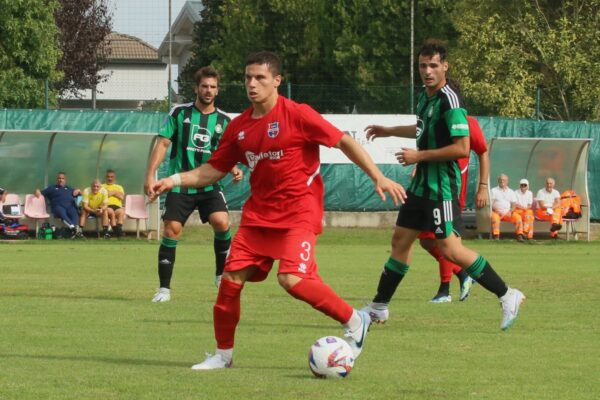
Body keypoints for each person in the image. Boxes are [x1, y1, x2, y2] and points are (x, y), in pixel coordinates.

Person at [149, 51, 406, 370]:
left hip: (299, 211)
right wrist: (172, 180)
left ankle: (355, 321)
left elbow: (343, 142)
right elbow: (213, 170)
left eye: (260, 77)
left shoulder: (297, 114)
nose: (252, 84)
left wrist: (378, 176)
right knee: (230, 278)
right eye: (247, 77)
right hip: (259, 217)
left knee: (292, 279)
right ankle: (223, 356)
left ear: (277, 81)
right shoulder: (239, 126)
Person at [361, 39, 525, 331]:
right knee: (400, 241)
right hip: (422, 186)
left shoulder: (451, 100)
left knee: (450, 249)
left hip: (442, 189)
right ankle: (379, 306)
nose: (427, 71)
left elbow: (463, 149)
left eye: (433, 65)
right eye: (423, 66)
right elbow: (422, 126)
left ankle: (507, 294)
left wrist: (418, 156)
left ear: (445, 67)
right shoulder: (425, 97)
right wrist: (388, 131)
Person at [144, 66, 243, 303]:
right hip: (179, 184)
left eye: (213, 87)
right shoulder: (179, 113)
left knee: (222, 222)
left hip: (209, 184)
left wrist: (233, 168)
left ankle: (221, 275)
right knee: (172, 230)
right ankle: (164, 289)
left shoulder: (224, 121)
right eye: (204, 86)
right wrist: (150, 175)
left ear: (217, 90)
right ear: (196, 88)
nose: (208, 91)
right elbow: (163, 143)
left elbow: (224, 152)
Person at [421, 115, 489, 303]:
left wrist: (483, 187)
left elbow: (483, 152)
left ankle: (445, 291)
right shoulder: (433, 119)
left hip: (450, 191)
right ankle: (463, 273)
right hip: (430, 187)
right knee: (426, 241)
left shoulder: (466, 122)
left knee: (444, 240)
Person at [35, 172, 82, 238]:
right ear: (57, 179)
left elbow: (80, 194)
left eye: (62, 178)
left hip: (70, 206)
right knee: (62, 213)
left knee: (74, 213)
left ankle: (73, 231)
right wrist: (36, 191)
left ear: (65, 180)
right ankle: (74, 230)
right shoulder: (51, 188)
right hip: (58, 207)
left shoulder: (69, 188)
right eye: (59, 178)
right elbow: (40, 193)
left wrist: (79, 191)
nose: (61, 180)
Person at [490, 174, 524, 241]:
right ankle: (496, 236)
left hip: (508, 212)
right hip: (496, 212)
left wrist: (511, 211)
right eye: (501, 180)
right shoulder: (493, 190)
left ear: (507, 181)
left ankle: (520, 235)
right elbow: (490, 204)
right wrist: (495, 210)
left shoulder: (511, 191)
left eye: (504, 180)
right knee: (495, 218)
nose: (502, 181)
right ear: (498, 181)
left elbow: (514, 204)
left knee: (518, 218)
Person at [102, 169, 125, 238]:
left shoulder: (119, 187)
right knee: (110, 211)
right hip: (107, 205)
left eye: (112, 177)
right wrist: (115, 192)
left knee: (121, 212)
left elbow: (121, 197)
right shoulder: (102, 186)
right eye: (108, 177)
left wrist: (112, 192)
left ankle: (118, 229)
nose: (110, 178)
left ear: (114, 178)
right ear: (106, 177)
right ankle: (117, 232)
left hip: (117, 206)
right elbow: (106, 195)